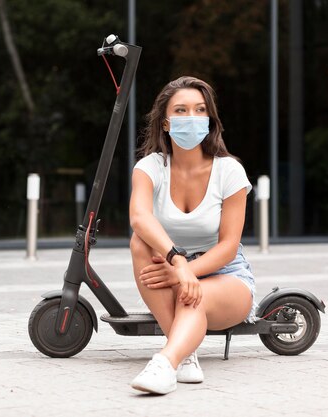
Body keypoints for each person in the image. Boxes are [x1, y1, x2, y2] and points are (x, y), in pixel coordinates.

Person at [129, 76, 256, 394]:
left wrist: (182, 274)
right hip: (171, 265)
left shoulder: (230, 171)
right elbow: (139, 217)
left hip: (226, 275)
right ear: (166, 123)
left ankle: (165, 362)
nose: (192, 118)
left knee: (192, 296)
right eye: (182, 110)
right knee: (140, 241)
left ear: (210, 120)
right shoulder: (151, 167)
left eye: (200, 110)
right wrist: (178, 264)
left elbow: (228, 246)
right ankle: (186, 354)